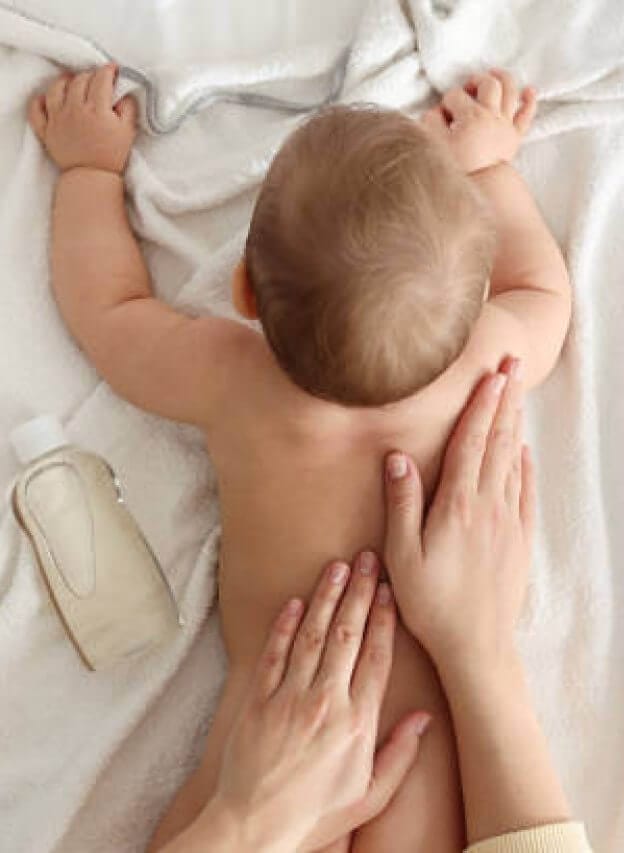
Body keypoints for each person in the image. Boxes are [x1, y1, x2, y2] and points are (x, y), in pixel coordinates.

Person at [28, 63, 571, 852]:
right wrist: (488, 166)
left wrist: (89, 171)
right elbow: (543, 290)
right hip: (422, 744)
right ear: (473, 297)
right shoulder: (488, 358)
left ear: (244, 291)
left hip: (270, 730)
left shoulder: (232, 377)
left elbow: (107, 311)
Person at [157, 367, 593, 852]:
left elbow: (125, 336)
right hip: (355, 756)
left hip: (277, 765)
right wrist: (481, 647)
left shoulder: (236, 376)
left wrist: (249, 823)